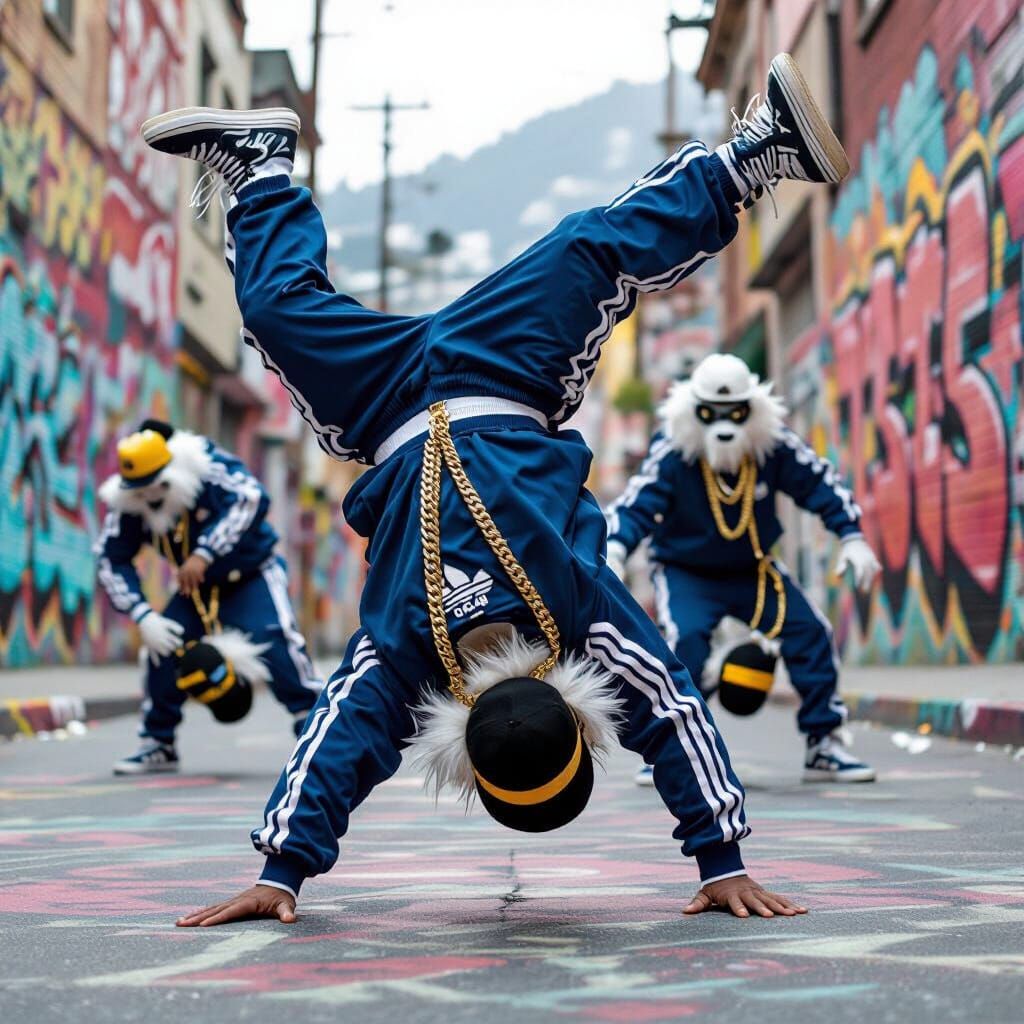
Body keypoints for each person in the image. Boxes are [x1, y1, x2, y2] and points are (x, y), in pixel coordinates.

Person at [141, 52, 845, 926]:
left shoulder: (409, 657)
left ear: (468, 744)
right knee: (587, 249)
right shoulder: (579, 613)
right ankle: (755, 153)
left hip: (384, 403)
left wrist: (282, 871)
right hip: (505, 371)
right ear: (580, 720)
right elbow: (668, 705)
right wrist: (721, 855)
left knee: (279, 314)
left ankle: (262, 165)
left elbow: (341, 740)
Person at [606, 353, 880, 786]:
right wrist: (616, 548)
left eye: (735, 412)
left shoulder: (772, 444)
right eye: (710, 414)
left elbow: (819, 481)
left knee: (810, 630)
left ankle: (824, 743)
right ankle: (673, 748)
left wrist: (852, 534)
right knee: (684, 642)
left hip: (753, 569)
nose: (724, 424)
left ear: (753, 407)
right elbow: (637, 502)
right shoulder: (673, 450)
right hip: (685, 571)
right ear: (691, 410)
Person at [95, 420, 322, 773]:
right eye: (139, 491)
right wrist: (143, 615)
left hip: (251, 574)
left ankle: (316, 729)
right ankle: (158, 742)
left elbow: (251, 498)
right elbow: (111, 558)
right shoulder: (132, 505)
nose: (150, 498)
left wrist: (204, 553)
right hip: (195, 591)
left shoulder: (211, 468)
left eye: (156, 486)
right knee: (162, 644)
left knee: (276, 641)